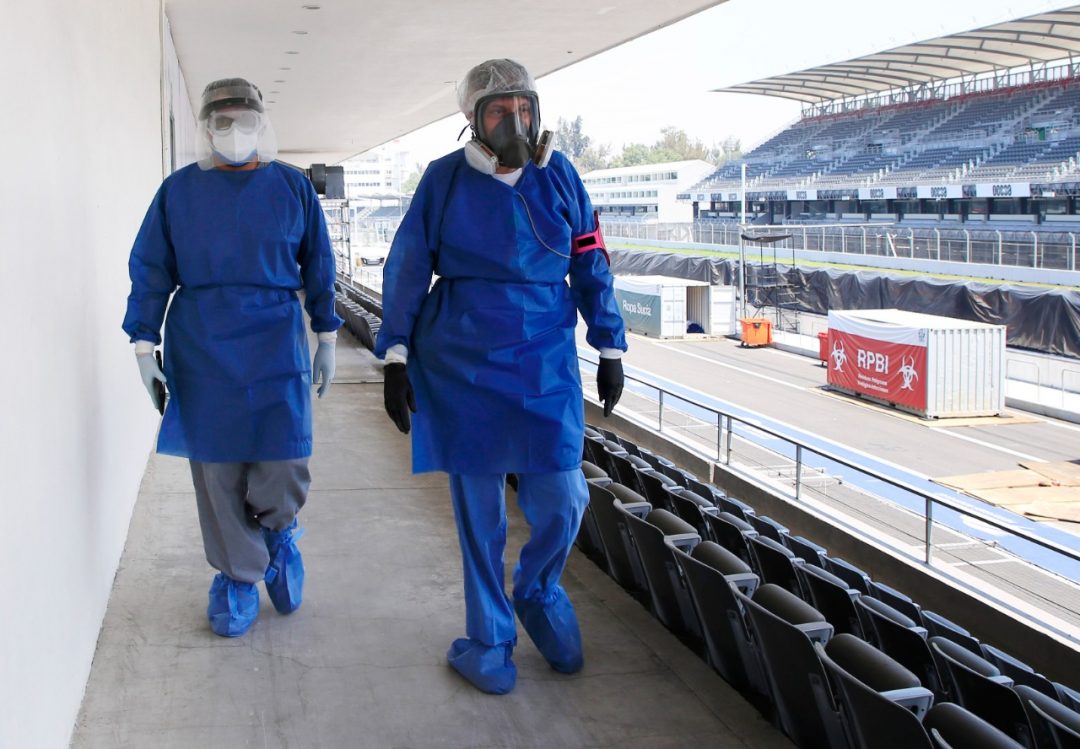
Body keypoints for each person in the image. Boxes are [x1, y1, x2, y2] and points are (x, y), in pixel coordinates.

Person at [375, 59, 627, 694]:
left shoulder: (561, 177)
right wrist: (395, 354)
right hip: (459, 363)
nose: (514, 122)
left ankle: (537, 591)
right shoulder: (443, 181)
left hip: (544, 361)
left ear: (537, 112)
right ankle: (489, 639)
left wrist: (610, 344)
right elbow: (407, 265)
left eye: (523, 109)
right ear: (472, 123)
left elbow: (591, 262)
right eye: (497, 112)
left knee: (564, 499)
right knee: (478, 514)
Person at [122, 78, 342, 637]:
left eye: (244, 119)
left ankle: (279, 531)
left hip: (275, 341)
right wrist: (144, 343)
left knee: (283, 461)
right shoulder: (178, 192)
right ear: (205, 128)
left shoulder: (292, 188)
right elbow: (151, 269)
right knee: (217, 472)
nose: (234, 131)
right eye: (222, 121)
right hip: (204, 346)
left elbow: (319, 264)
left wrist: (328, 335)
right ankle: (238, 576)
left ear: (262, 122)